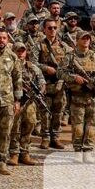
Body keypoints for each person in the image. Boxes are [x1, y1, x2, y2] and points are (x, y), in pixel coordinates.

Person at [62, 30, 95, 160]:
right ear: (77, 40)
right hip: (77, 96)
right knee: (78, 126)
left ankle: (88, 150)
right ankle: (77, 150)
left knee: (92, 125)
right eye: (83, 38)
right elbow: (60, 73)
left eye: (88, 38)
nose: (86, 40)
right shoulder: (70, 57)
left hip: (92, 97)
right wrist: (73, 77)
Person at [31, 19, 70, 150]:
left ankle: (56, 137)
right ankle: (45, 138)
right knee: (45, 112)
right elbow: (33, 63)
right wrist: (46, 68)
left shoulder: (64, 46)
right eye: (49, 28)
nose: (52, 30)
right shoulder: (38, 45)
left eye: (54, 27)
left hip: (59, 84)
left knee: (58, 112)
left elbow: (71, 62)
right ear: (44, 30)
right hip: (45, 84)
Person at [7, 42, 43, 167]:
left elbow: (41, 82)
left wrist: (39, 92)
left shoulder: (32, 67)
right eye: (18, 51)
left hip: (29, 102)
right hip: (14, 101)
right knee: (14, 127)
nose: (21, 53)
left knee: (30, 124)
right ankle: (14, 153)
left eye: (23, 51)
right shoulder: (9, 66)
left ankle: (25, 152)